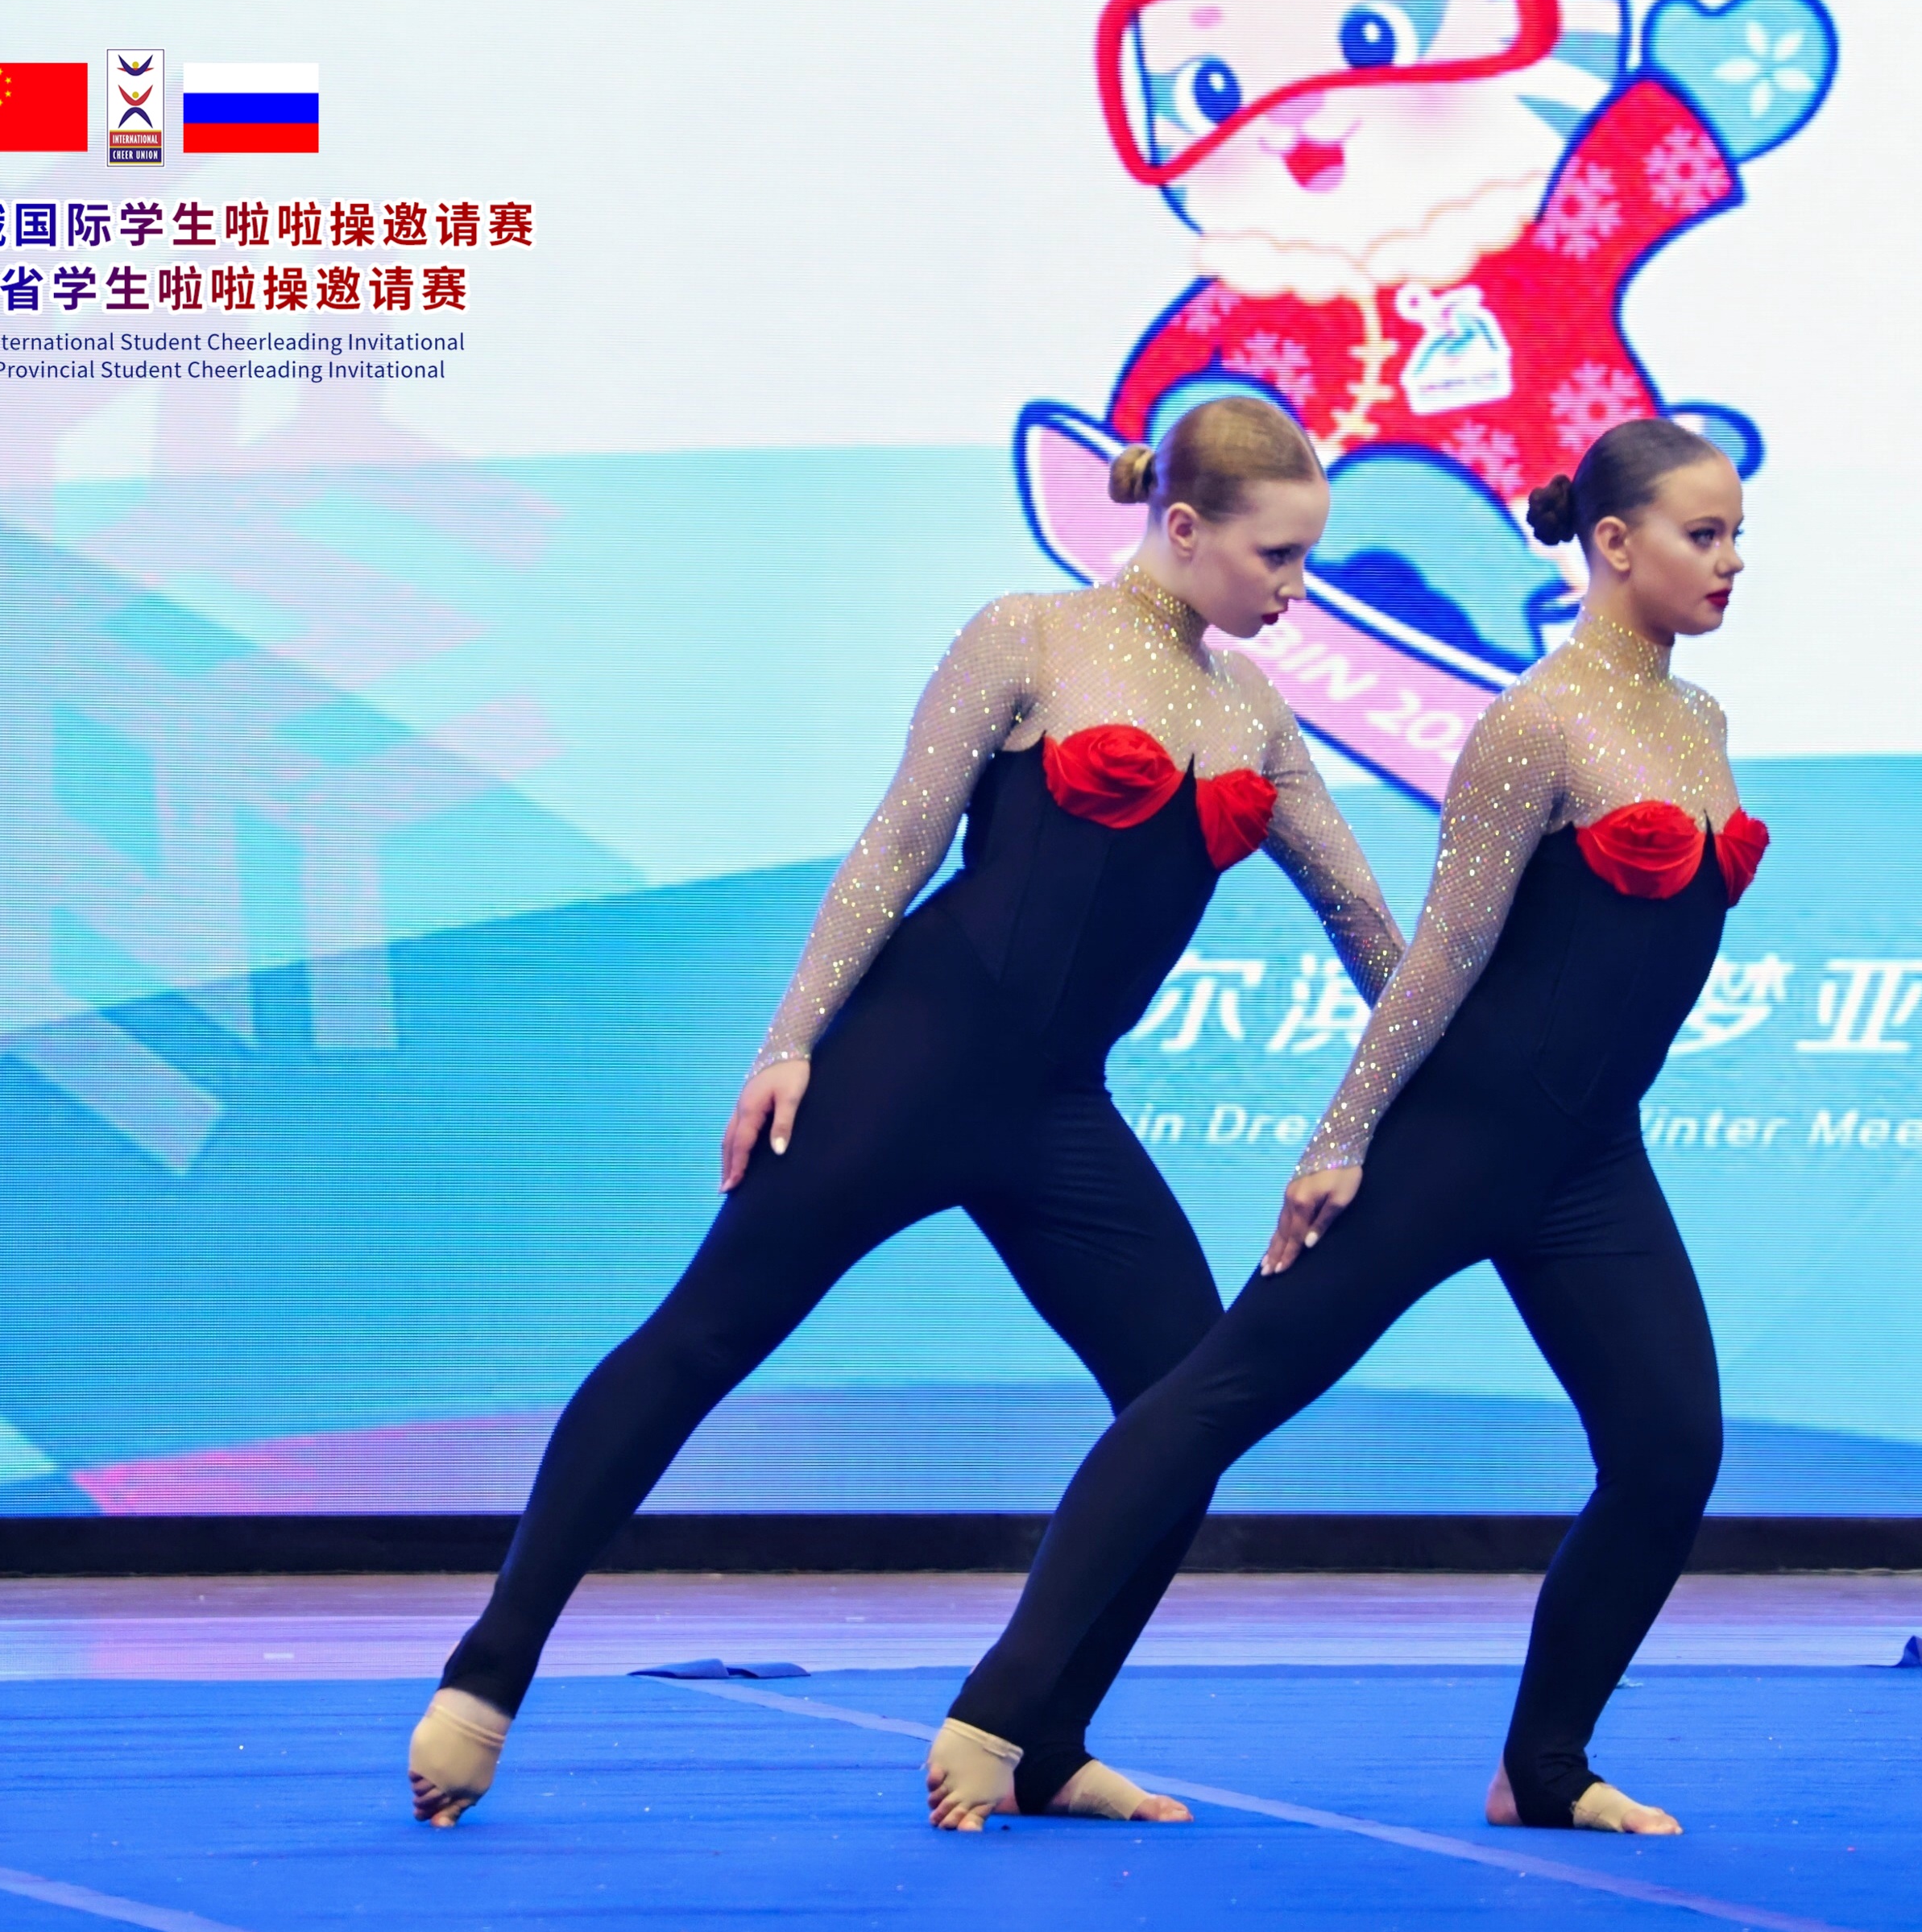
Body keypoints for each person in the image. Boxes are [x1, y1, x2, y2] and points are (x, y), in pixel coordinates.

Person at [408, 397, 1403, 1829]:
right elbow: (898, 843)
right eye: (1279, 556)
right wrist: (789, 1042)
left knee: (1188, 1403)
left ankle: (1044, 1738)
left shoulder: (1251, 707)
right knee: (699, 1339)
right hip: (902, 1065)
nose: (1297, 588)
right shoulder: (1028, 635)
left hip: (1056, 1111)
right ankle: (485, 1678)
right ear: (1183, 527)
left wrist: (1433, 1068)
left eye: (1308, 559)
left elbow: (1362, 915)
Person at [931, 416, 1765, 1835]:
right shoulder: (1533, 722)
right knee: (1217, 1394)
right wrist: (1343, 1138)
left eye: (1738, 534)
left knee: (1670, 1445)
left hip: (1589, 1161)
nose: (1731, 560)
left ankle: (1543, 1768)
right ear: (1615, 545)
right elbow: (1442, 954)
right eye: (1705, 534)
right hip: (1456, 1139)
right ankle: (997, 1711)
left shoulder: (1700, 723)